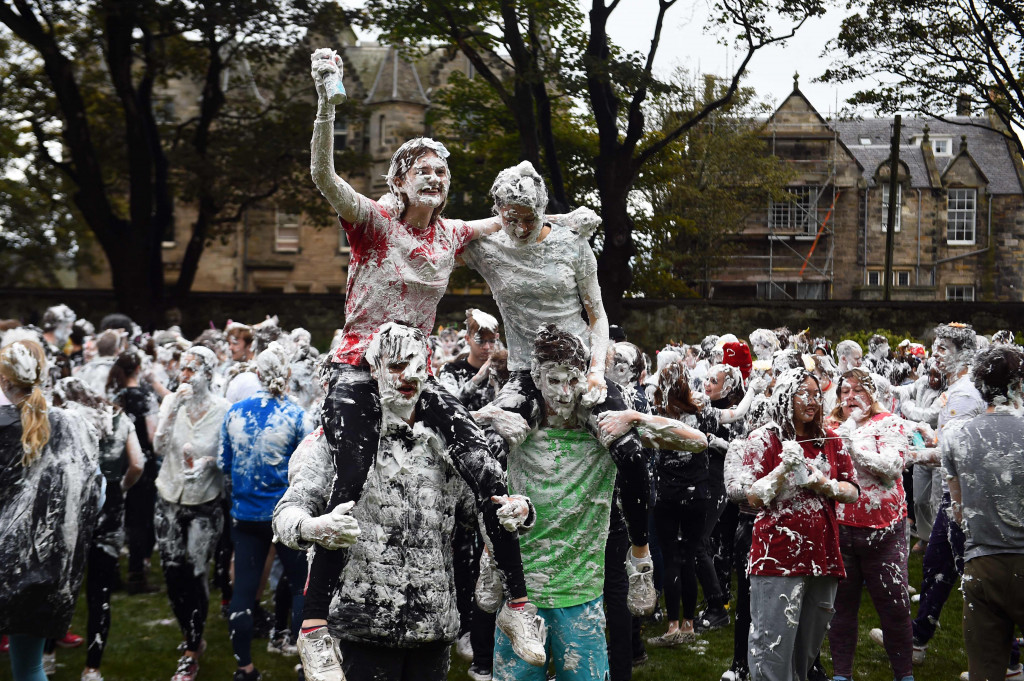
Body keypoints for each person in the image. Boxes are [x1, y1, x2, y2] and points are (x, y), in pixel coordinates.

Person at [302, 47, 546, 681]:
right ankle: (313, 626)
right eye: (424, 169)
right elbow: (326, 181)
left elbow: (512, 221)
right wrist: (328, 106)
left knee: (480, 461)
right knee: (350, 473)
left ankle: (517, 605)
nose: (436, 177)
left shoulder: (452, 234)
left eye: (443, 170)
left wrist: (563, 216)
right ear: (400, 179)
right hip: (360, 363)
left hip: (420, 369)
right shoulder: (376, 223)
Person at [274, 323, 544, 681]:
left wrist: (520, 511)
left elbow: (477, 508)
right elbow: (286, 514)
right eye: (398, 366)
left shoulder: (444, 444)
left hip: (432, 625)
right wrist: (311, 527)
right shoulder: (335, 441)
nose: (409, 377)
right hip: (362, 625)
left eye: (417, 367)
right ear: (375, 370)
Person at [464, 161, 656, 615]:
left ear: (542, 210)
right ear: (497, 210)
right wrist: (500, 223)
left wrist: (594, 371)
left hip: (578, 368)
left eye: (530, 216)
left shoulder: (571, 247)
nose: (521, 226)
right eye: (510, 215)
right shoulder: (487, 249)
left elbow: (598, 316)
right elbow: (435, 235)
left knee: (628, 451)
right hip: (527, 373)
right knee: (489, 448)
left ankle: (640, 559)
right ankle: (492, 556)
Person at [492, 326, 706, 681]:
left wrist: (635, 418)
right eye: (553, 380)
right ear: (536, 377)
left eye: (571, 380)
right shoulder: (518, 429)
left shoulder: (603, 430)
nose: (563, 393)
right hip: (521, 600)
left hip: (581, 596)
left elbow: (697, 441)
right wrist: (490, 418)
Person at [734, 367, 859, 681]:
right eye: (804, 393)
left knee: (806, 654)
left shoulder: (830, 439)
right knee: (771, 651)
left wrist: (823, 484)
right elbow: (752, 498)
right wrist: (781, 471)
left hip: (824, 557)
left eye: (817, 394)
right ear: (784, 397)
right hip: (776, 558)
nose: (813, 400)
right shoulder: (763, 439)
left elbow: (853, 491)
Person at [0, 340, 102, 681]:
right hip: (49, 568)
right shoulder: (74, 424)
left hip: (9, 563)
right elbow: (96, 495)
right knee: (29, 667)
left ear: (4, 378)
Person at [220, 342, 309, 681]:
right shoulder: (296, 415)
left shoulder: (235, 412)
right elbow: (307, 469)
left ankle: (244, 668)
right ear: (286, 375)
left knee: (242, 589)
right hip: (286, 515)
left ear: (257, 374)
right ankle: (305, 666)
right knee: (302, 585)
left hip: (245, 516)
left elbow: (223, 463)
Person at [52, 377, 145, 681]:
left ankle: (47, 654)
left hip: (70, 513)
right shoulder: (119, 418)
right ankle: (92, 668)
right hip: (110, 508)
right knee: (99, 592)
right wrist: (120, 486)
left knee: (60, 586)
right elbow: (138, 464)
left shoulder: (63, 419)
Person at [825, 369, 914, 681]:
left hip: (884, 532)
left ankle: (904, 673)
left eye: (858, 390)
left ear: (873, 394)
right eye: (845, 391)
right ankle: (841, 675)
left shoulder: (890, 423)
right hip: (841, 531)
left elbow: (890, 468)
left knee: (895, 607)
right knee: (841, 609)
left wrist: (850, 447)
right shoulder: (832, 426)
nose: (850, 397)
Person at [945, 345, 1024, 681]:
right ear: (1019, 384)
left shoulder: (956, 436)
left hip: (981, 565)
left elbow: (958, 512)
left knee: (985, 672)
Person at [153, 346, 231, 681]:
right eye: (182, 369)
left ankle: (191, 649)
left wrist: (207, 464)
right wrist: (172, 410)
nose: (184, 376)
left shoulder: (224, 409)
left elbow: (228, 459)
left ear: (208, 374)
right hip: (169, 497)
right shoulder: (171, 401)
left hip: (205, 503)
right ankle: (190, 634)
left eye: (191, 370)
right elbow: (157, 447)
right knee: (172, 574)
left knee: (196, 571)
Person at [107, 350, 163, 593]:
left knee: (118, 517)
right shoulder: (146, 397)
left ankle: (111, 572)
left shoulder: (115, 396)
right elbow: (153, 436)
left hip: (118, 463)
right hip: (142, 463)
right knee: (140, 520)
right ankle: (137, 575)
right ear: (138, 369)